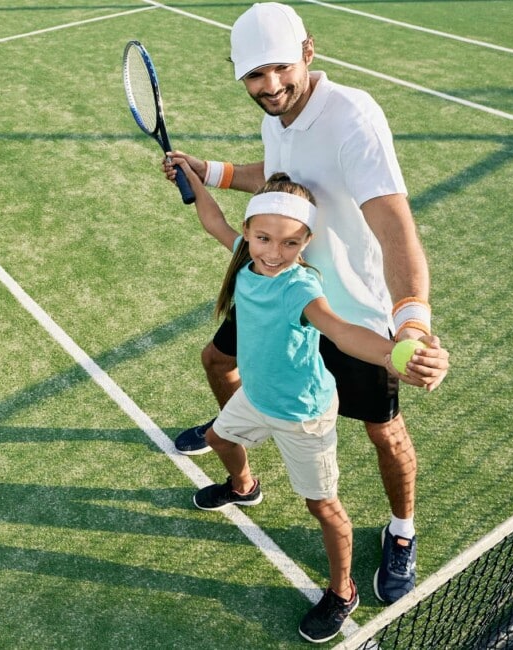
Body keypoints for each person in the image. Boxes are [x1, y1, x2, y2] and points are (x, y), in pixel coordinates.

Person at [163, 2, 450, 604]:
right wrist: (206, 169)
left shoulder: (352, 118)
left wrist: (413, 324)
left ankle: (401, 531)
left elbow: (397, 228)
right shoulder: (279, 115)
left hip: (352, 312)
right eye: (254, 76)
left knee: (383, 431)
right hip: (278, 284)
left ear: (309, 53)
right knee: (217, 363)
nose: (270, 87)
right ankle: (242, 466)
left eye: (279, 69)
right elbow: (278, 170)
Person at [181, 168, 405, 642]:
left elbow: (341, 331)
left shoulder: (299, 287)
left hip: (302, 415)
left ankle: (343, 591)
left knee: (322, 507)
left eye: (289, 244)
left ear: (306, 242)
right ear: (248, 234)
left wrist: (392, 353)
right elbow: (212, 221)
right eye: (263, 238)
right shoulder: (245, 265)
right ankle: (243, 487)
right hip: (257, 397)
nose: (274, 252)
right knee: (217, 437)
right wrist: (190, 178)